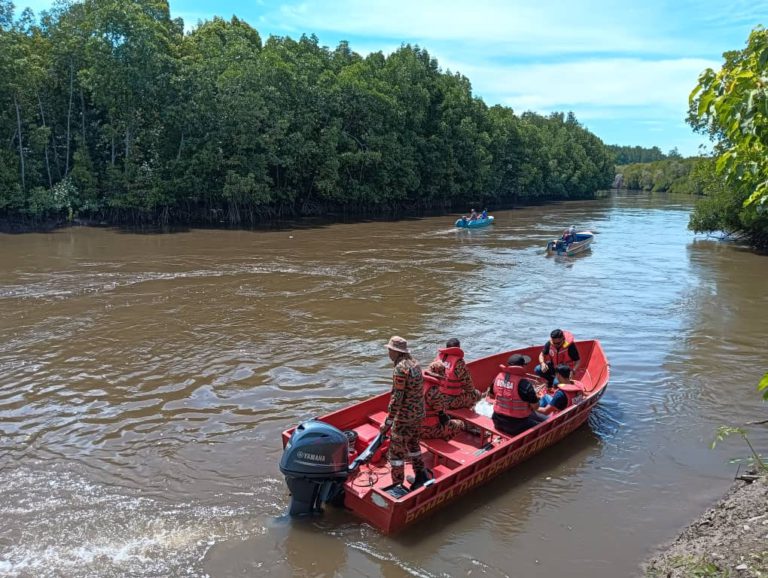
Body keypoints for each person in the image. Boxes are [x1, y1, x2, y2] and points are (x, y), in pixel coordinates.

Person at [380, 336, 430, 491]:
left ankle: (397, 485)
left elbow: (397, 398)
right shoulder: (415, 364)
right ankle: (421, 476)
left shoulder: (400, 368)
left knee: (396, 453)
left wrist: (388, 422)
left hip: (404, 418)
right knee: (413, 445)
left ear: (395, 352)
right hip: (418, 414)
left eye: (389, 350)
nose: (388, 353)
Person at [489, 353, 546, 436]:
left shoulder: (498, 377)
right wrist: (536, 398)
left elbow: (491, 395)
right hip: (517, 426)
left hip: (497, 422)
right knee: (546, 422)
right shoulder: (524, 384)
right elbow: (535, 406)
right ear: (522, 367)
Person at [428, 338, 481, 410]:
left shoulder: (439, 357)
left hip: (436, 397)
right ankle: (468, 411)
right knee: (476, 394)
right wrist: (472, 392)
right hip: (449, 401)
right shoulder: (459, 362)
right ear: (458, 348)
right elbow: (468, 386)